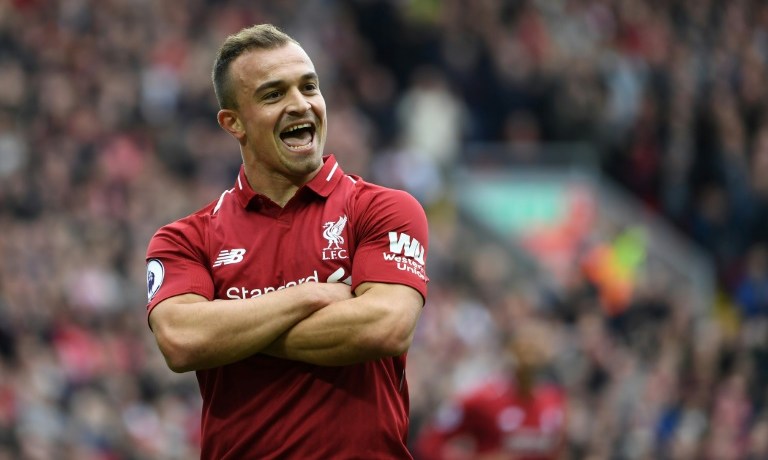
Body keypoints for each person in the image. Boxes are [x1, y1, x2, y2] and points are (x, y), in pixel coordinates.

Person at [144, 24, 429, 459]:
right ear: (233, 123)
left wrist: (230, 333)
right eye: (273, 94)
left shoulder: (383, 209)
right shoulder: (185, 239)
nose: (300, 104)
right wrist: (310, 295)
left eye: (309, 87)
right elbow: (182, 341)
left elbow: (385, 327)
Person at [415, 321, 566, 460]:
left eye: (538, 353)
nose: (532, 360)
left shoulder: (555, 400)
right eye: (527, 351)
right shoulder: (482, 398)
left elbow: (557, 451)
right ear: (512, 353)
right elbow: (430, 442)